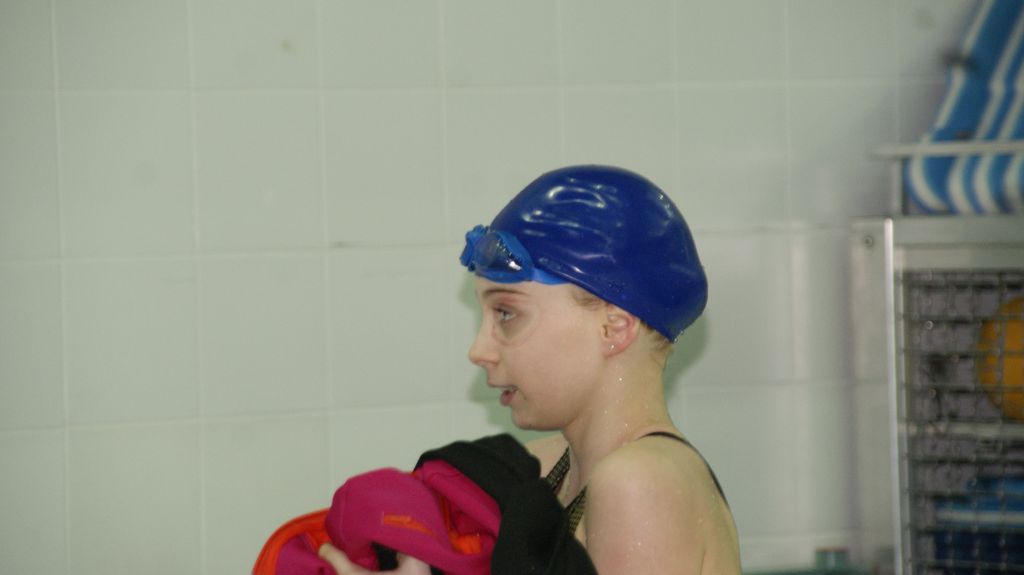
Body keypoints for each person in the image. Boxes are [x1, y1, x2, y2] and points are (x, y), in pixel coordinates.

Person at [318, 165, 741, 574]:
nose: (479, 351)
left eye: (506, 314)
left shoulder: (640, 484)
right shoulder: (542, 467)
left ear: (613, 328)